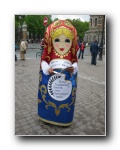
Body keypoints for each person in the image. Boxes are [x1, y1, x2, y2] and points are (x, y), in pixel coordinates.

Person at [38, 20, 79, 126]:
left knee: (64, 100)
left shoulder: (72, 53)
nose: (62, 44)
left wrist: (73, 68)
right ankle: (47, 116)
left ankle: (64, 119)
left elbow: (75, 62)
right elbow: (43, 61)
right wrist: (47, 69)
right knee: (49, 99)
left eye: (67, 40)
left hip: (65, 84)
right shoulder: (49, 51)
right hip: (51, 82)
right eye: (57, 40)